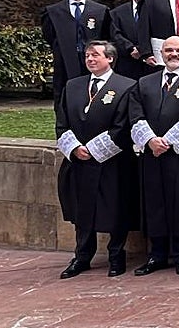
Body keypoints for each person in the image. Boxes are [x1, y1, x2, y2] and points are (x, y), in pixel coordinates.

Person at [127, 35, 179, 275]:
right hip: (152, 155)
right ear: (161, 53)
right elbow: (135, 115)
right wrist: (151, 141)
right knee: (155, 204)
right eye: (169, 50)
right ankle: (157, 255)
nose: (174, 54)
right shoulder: (144, 82)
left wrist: (168, 143)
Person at [54, 40, 136, 279]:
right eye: (88, 55)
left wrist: (95, 149)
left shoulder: (126, 86)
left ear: (110, 58)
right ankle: (82, 255)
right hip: (79, 161)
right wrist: (76, 148)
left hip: (111, 161)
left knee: (115, 208)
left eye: (95, 55)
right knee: (82, 209)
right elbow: (62, 122)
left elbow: (123, 126)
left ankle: (116, 255)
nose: (90, 59)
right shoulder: (73, 86)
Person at [43, 0, 112, 104]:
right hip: (64, 60)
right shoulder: (53, 11)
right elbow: (49, 35)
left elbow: (106, 36)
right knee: (64, 93)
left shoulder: (101, 11)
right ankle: (64, 123)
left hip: (92, 59)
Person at [109, 0, 151, 80]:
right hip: (126, 61)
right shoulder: (117, 12)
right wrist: (130, 48)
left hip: (149, 60)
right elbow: (115, 34)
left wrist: (143, 50)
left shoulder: (157, 11)